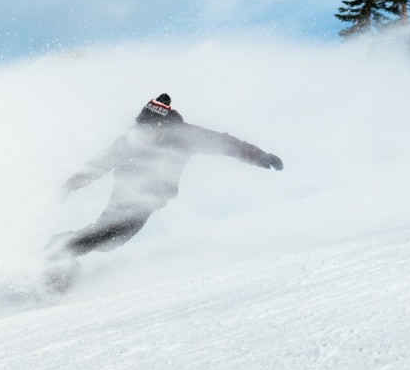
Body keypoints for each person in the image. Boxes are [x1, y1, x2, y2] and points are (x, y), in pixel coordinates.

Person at [44, 93, 283, 288]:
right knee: (109, 232)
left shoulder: (186, 135)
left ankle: (61, 249)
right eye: (141, 128)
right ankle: (58, 259)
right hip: (127, 193)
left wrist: (260, 156)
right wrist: (71, 184)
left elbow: (226, 144)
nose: (144, 134)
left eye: (148, 129)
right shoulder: (132, 139)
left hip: (150, 199)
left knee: (112, 239)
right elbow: (102, 162)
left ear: (162, 126)